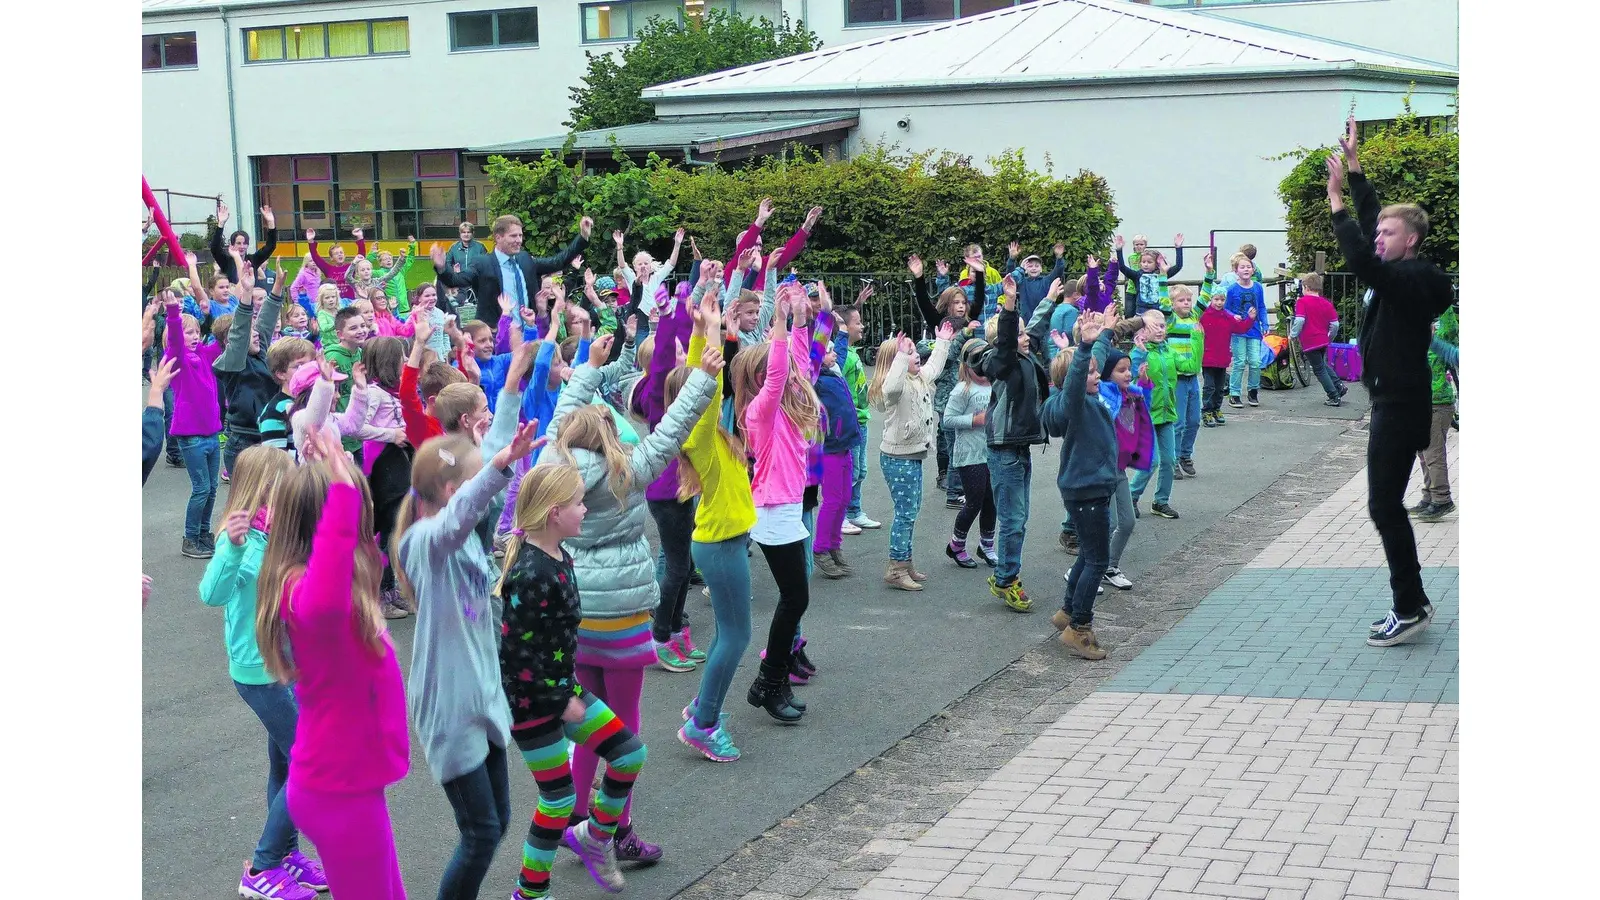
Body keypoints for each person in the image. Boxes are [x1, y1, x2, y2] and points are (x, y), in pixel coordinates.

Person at [540, 328, 717, 865]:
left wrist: (589, 366)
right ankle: (617, 829)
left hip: (576, 613)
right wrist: (705, 378)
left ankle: (572, 814)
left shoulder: (554, 462)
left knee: (589, 721)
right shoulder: (626, 472)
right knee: (626, 729)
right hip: (618, 616)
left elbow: (564, 410)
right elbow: (671, 431)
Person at [392, 421, 542, 900]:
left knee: (496, 824)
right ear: (454, 491)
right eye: (474, 484)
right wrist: (495, 466)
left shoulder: (469, 540)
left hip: (482, 696)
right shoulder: (425, 544)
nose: (487, 496)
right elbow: (464, 511)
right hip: (450, 706)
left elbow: (485, 499)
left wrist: (517, 381)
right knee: (480, 833)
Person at [258, 426, 409, 900]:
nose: (366, 523)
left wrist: (336, 468)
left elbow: (362, 554)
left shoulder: (345, 591)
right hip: (337, 791)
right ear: (328, 525)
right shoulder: (306, 596)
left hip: (353, 784)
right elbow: (329, 582)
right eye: (354, 512)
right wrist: (342, 495)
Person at [1325, 116, 1455, 648]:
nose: (1378, 236)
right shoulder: (1401, 268)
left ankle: (1410, 606)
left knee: (1383, 505)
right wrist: (1356, 169)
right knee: (1385, 504)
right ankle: (1414, 600)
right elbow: (1373, 221)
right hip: (1393, 401)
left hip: (1401, 405)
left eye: (1388, 233)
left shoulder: (1413, 277)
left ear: (1413, 240)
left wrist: (1335, 200)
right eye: (1378, 231)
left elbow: (1360, 258)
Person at [497, 463, 651, 900]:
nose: (586, 510)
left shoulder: (560, 555)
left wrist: (568, 692)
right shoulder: (531, 573)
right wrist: (558, 700)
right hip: (532, 705)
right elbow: (514, 658)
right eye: (579, 503)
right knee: (558, 799)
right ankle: (530, 893)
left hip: (564, 690)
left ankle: (595, 838)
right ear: (553, 512)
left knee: (628, 754)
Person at [197, 446, 329, 900]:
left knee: (287, 760)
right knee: (310, 762)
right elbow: (211, 595)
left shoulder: (278, 531)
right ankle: (263, 866)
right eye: (283, 482)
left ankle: (286, 853)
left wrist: (317, 465)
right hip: (258, 673)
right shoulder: (238, 539)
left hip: (288, 666)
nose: (289, 489)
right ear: (262, 488)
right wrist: (231, 550)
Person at [730, 283, 820, 721]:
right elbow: (783, 370)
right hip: (772, 513)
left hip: (784, 510)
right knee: (794, 598)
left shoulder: (785, 403)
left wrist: (800, 319)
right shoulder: (759, 411)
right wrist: (780, 321)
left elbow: (796, 365)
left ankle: (775, 679)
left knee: (796, 597)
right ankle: (768, 681)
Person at [1041, 312, 1121, 660]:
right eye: (1089, 371)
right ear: (1069, 379)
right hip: (1087, 490)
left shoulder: (1083, 394)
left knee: (1089, 556)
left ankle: (1068, 612)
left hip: (1089, 488)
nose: (1097, 374)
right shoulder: (1072, 401)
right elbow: (1078, 376)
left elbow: (1092, 366)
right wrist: (1085, 346)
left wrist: (1102, 335)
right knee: (1098, 561)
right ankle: (1080, 628)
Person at [975, 272, 1052, 612]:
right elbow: (1009, 339)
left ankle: (1007, 574)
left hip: (1019, 446)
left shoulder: (1023, 356)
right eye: (1017, 332)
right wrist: (1008, 305)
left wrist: (1049, 298)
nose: (1025, 337)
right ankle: (1006, 579)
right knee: (1013, 519)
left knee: (1019, 519)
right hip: (1004, 449)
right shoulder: (1001, 361)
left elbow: (1033, 329)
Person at [868, 324, 955, 590]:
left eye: (915, 350)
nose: (915, 354)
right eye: (908, 351)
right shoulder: (894, 385)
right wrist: (901, 359)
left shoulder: (920, 379)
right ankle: (896, 567)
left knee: (911, 510)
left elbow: (935, 368)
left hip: (912, 455)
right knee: (905, 513)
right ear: (895, 361)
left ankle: (905, 561)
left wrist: (941, 342)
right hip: (897, 457)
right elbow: (892, 389)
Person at [169, 254, 227, 559]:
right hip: (190, 435)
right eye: (187, 333)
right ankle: (190, 538)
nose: (193, 337)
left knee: (212, 490)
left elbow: (225, 337)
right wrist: (173, 313)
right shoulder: (176, 359)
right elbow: (176, 339)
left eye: (195, 332)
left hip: (210, 434)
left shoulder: (204, 355)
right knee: (201, 488)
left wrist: (242, 301)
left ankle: (204, 533)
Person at [433, 214, 592, 318]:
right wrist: (441, 267)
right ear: (498, 237)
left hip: (528, 330)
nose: (519, 240)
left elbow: (558, 262)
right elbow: (456, 280)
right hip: (496, 335)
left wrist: (583, 236)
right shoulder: (482, 263)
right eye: (513, 236)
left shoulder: (525, 259)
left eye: (521, 235)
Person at [1100, 346, 1153, 592]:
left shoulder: (1132, 394)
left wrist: (1143, 384)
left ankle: (1109, 566)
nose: (1127, 374)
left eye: (1128, 369)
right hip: (1100, 469)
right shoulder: (1104, 395)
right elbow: (1109, 409)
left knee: (1128, 522)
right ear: (1107, 373)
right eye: (1121, 370)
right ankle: (1084, 568)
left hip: (1118, 469)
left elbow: (1143, 413)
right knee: (1107, 523)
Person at [941, 339, 996, 570]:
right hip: (969, 455)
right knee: (973, 502)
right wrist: (974, 420)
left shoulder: (995, 385)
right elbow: (947, 419)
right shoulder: (962, 390)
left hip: (992, 452)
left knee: (991, 502)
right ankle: (957, 544)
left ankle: (987, 545)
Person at [1129, 310, 1181, 519]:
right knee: (1152, 461)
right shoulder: (1138, 353)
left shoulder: (1168, 351)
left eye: (1162, 326)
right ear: (1142, 331)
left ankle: (1161, 501)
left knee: (1169, 460)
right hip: (1147, 413)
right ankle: (1131, 496)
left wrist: (1197, 340)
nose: (1159, 330)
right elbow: (1129, 379)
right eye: (1154, 326)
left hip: (1166, 412)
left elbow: (1189, 368)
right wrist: (1140, 353)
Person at [1410, 306, 1458, 523]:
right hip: (1422, 399)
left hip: (1437, 400)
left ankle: (1441, 498)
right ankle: (1430, 495)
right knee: (1424, 453)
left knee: (1433, 453)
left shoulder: (1443, 326)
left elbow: (1450, 347)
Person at [836, 304, 880, 534]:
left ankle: (855, 511)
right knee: (849, 472)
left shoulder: (853, 352)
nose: (862, 326)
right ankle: (840, 516)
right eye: (858, 322)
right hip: (849, 422)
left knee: (860, 470)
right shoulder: (841, 356)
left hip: (861, 420)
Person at [1290, 272, 1348, 407]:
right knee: (1322, 364)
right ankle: (1339, 385)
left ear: (1305, 287)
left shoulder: (1302, 302)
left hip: (1309, 341)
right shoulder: (1326, 303)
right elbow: (1335, 325)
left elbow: (1299, 320)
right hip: (1323, 340)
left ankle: (1333, 395)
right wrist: (1329, 337)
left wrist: (1293, 334)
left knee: (1319, 370)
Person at [1166, 284, 1205, 476]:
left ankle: (1185, 454)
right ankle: (1173, 457)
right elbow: (1163, 303)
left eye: (1188, 300)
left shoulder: (1194, 318)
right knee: (1178, 422)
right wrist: (1163, 275)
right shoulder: (1171, 321)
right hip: (1178, 378)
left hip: (1193, 378)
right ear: (1173, 304)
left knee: (1195, 420)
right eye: (1181, 300)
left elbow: (1205, 298)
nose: (1187, 303)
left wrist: (1209, 273)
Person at [1199, 291, 1255, 427]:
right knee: (1209, 386)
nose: (1219, 303)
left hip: (1222, 357)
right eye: (1216, 299)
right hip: (1207, 357)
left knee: (1219, 387)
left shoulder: (1227, 316)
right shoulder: (1204, 316)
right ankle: (1206, 410)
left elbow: (1240, 328)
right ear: (1211, 299)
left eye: (1222, 300)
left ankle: (1216, 409)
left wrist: (1250, 319)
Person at [1225, 253, 1270, 408]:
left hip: (1254, 330)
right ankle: (1234, 393)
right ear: (1236, 271)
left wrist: (1265, 324)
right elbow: (1226, 309)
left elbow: (1262, 307)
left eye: (1248, 267)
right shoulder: (1232, 289)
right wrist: (1233, 316)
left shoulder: (1257, 287)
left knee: (1255, 361)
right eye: (1242, 267)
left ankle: (1253, 390)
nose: (1245, 269)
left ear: (1253, 270)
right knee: (1239, 361)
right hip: (1238, 331)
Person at [209, 201, 278, 285]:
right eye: (238, 243)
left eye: (245, 243)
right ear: (232, 245)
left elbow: (270, 246)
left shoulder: (253, 260)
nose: (242, 246)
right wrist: (221, 224)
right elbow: (214, 248)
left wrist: (271, 223)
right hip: (232, 295)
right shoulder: (226, 261)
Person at [1115, 233, 1184, 316]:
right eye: (1143, 262)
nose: (1146, 264)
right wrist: (1119, 250)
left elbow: (1178, 266)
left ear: (1156, 264)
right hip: (1141, 312)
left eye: (1149, 262)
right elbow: (1122, 267)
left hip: (1157, 311)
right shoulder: (1137, 275)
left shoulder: (1161, 275)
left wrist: (1178, 248)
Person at [1003, 241, 1068, 324]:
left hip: (1044, 321)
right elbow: (1011, 277)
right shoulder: (1023, 282)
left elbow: (1058, 271)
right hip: (1026, 322)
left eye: (1037, 266)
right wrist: (1012, 259)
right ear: (1025, 269)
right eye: (1030, 266)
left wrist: (1059, 257)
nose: (1034, 268)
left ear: (1041, 269)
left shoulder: (1046, 280)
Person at [307, 228, 368, 303]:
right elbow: (315, 257)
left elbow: (361, 257)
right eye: (336, 253)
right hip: (335, 303)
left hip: (350, 302)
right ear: (331, 258)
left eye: (341, 253)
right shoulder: (328, 269)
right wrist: (310, 241)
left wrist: (360, 237)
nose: (339, 255)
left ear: (344, 255)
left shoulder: (351, 267)